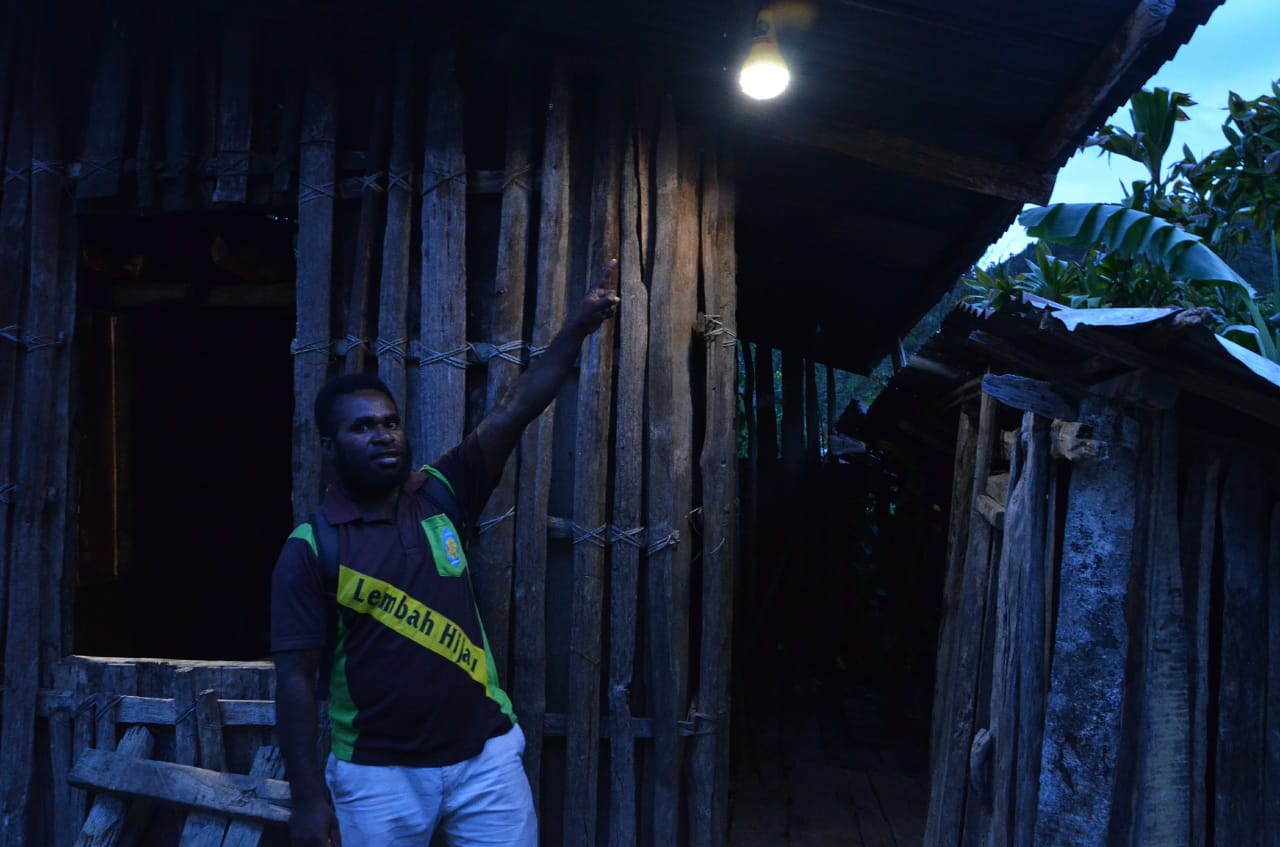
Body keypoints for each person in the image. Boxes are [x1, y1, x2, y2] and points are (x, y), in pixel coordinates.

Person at [271, 261, 619, 847]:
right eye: (362, 429)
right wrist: (308, 802)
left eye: (391, 423)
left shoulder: (442, 493)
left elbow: (516, 407)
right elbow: (295, 683)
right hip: (378, 776)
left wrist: (578, 328)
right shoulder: (312, 548)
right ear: (330, 447)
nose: (383, 435)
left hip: (486, 761)